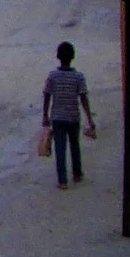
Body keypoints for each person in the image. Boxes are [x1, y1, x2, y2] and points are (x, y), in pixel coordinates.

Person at [42, 41, 97, 189]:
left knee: (60, 148)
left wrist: (45, 116)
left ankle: (62, 181)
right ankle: (77, 174)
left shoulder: (53, 76)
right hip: (73, 116)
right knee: (75, 146)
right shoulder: (78, 77)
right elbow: (83, 98)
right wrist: (90, 119)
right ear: (73, 56)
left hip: (57, 117)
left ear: (58, 56)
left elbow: (47, 95)